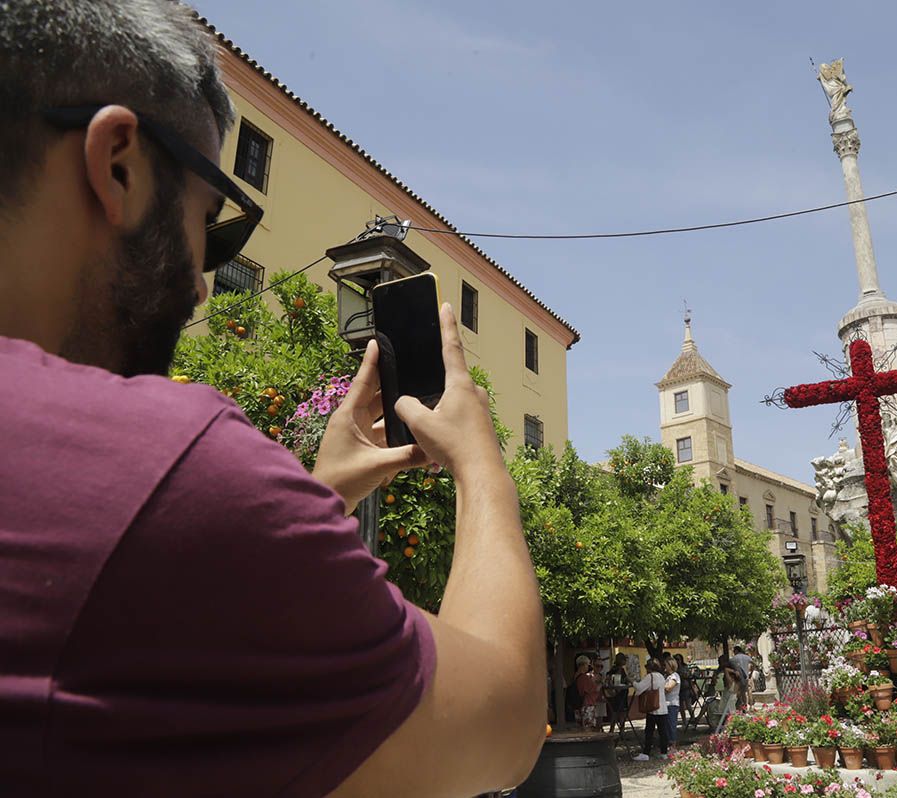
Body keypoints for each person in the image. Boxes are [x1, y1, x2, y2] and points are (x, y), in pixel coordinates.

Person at [0, 3, 546, 795]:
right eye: (210, 226)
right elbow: (499, 721)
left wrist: (314, 494)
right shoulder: (152, 471)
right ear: (117, 163)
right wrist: (480, 464)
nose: (198, 281)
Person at [632, 659, 669, 761]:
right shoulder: (661, 676)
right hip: (662, 707)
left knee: (649, 731)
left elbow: (639, 688)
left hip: (653, 708)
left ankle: (646, 752)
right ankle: (664, 752)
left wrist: (633, 682)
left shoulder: (650, 676)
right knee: (662, 732)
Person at [713, 654, 743, 734]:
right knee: (725, 711)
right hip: (727, 692)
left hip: (731, 693)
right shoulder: (721, 672)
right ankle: (728, 728)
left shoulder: (730, 674)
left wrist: (731, 671)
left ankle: (732, 729)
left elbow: (727, 671)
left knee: (730, 712)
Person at [574, 654, 602, 730]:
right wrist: (600, 684)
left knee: (581, 729)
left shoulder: (576, 675)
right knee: (589, 728)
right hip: (587, 705)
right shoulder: (584, 677)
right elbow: (593, 689)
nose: (588, 667)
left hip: (578, 705)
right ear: (583, 665)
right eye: (587, 664)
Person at [606, 653, 632, 734]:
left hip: (616, 693)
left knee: (615, 712)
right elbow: (625, 680)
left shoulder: (613, 669)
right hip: (620, 693)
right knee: (621, 713)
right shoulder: (619, 669)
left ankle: (613, 730)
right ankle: (621, 730)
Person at [663, 658, 681, 747]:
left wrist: (662, 687)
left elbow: (668, 688)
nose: (664, 667)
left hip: (672, 703)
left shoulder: (675, 676)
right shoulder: (668, 677)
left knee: (671, 724)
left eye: (666, 665)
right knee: (666, 725)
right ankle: (668, 742)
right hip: (666, 703)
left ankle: (673, 743)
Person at [673, 653, 694, 730]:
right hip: (678, 689)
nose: (677, 661)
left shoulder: (685, 667)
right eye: (676, 659)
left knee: (688, 705)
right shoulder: (674, 668)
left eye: (678, 659)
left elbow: (688, 675)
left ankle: (693, 718)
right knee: (681, 707)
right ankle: (684, 721)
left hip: (686, 688)